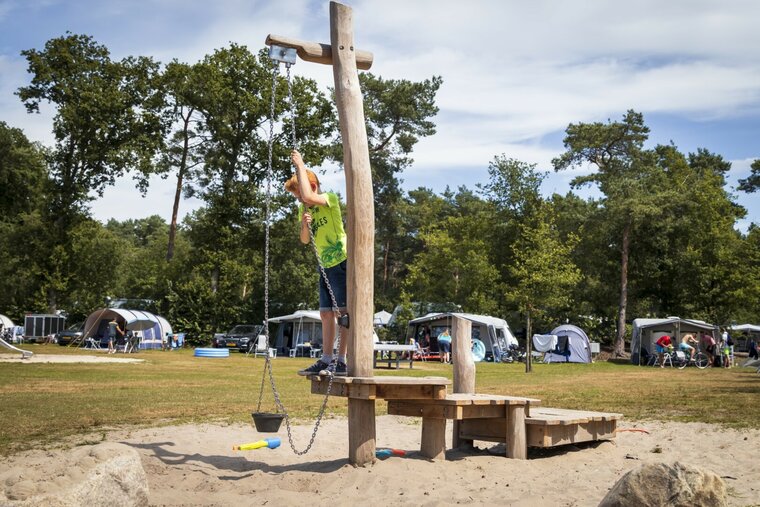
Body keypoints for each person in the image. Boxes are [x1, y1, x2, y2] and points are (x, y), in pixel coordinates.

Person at [287, 150, 349, 377]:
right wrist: (304, 225)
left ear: (312, 185)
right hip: (323, 265)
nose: (300, 199)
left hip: (341, 261)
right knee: (325, 313)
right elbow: (305, 240)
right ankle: (326, 358)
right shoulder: (304, 208)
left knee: (342, 312)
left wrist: (301, 165)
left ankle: (341, 360)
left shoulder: (328, 200)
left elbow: (311, 197)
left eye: (300, 194)